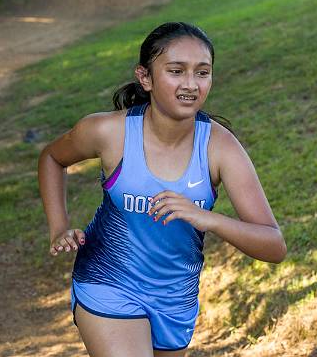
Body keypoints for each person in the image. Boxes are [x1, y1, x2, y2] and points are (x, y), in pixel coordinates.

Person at [37, 21, 287, 357]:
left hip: (175, 297)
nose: (190, 84)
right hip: (108, 280)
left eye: (202, 72)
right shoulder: (109, 132)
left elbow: (274, 246)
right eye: (176, 71)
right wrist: (58, 227)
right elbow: (53, 158)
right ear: (145, 78)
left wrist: (205, 218)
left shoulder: (219, 147)